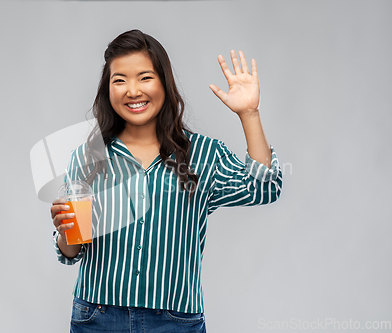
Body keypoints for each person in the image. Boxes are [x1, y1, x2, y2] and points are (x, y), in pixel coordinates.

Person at [50, 29, 282, 332]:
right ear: (108, 90)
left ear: (164, 83)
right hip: (98, 317)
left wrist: (249, 114)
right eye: (119, 80)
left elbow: (264, 188)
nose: (132, 91)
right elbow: (71, 252)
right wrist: (66, 233)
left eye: (145, 77)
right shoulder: (89, 156)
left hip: (175, 322)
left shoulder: (204, 154)